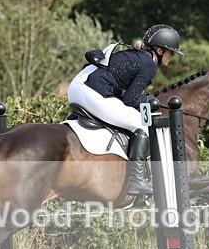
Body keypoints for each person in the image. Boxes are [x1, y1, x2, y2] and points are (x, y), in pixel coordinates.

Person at [68, 24, 184, 195]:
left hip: (77, 87)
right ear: (160, 51)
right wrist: (150, 99)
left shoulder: (136, 56)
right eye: (171, 52)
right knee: (142, 125)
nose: (172, 56)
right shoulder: (149, 64)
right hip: (91, 91)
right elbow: (130, 100)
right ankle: (137, 180)